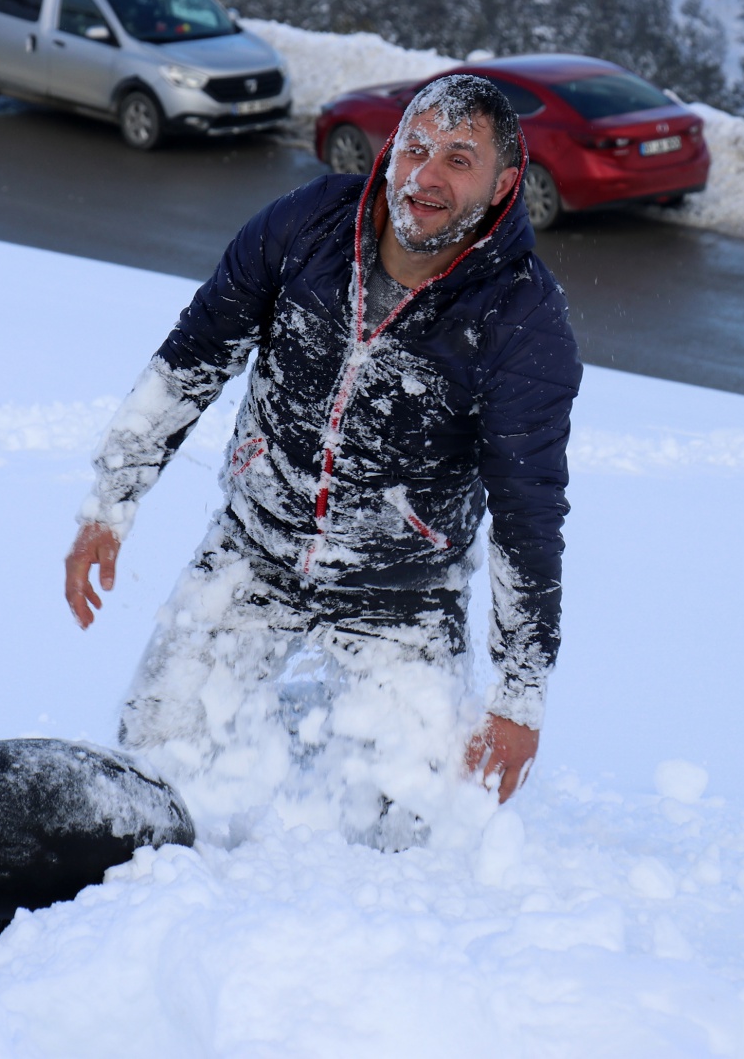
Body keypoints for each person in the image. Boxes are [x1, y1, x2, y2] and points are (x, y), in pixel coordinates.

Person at [63, 75, 581, 840]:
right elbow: (194, 357)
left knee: (402, 833)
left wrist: (519, 693)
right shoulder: (310, 226)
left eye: (458, 159)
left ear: (504, 184)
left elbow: (527, 513)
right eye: (415, 147)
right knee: (153, 775)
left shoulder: (521, 318)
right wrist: (111, 503)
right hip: (254, 553)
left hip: (402, 595)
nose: (425, 175)